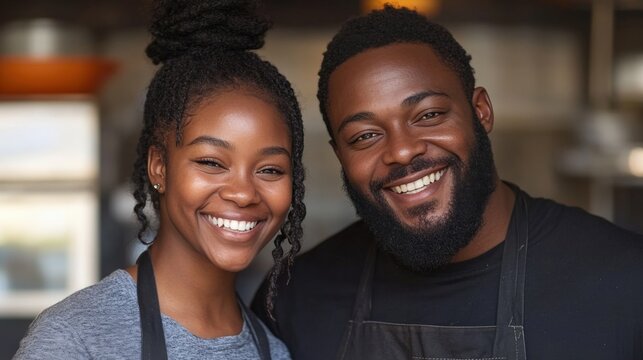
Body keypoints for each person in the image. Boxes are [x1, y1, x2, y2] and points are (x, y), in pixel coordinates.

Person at [252, 5, 643, 360]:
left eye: (428, 115)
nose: (402, 152)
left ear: (481, 112)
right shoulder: (294, 302)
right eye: (365, 136)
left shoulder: (625, 282)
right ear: (341, 156)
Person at [14, 0, 305, 359]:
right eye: (212, 162)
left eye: (270, 169)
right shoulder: (76, 339)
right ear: (158, 167)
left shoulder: (273, 351)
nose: (244, 193)